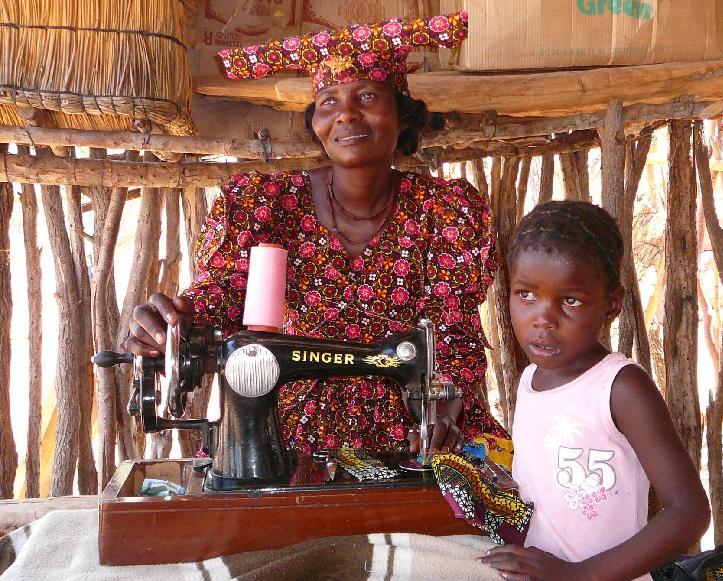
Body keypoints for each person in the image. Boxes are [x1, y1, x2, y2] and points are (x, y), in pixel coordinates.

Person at [124, 12, 510, 458]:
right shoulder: (262, 205)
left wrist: (445, 410)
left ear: (403, 116)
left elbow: (453, 334)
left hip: (418, 425)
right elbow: (221, 298)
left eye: (366, 96)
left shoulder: (446, 211)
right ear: (315, 124)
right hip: (286, 430)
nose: (346, 114)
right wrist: (176, 321)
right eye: (328, 101)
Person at [481, 201, 710, 581]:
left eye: (570, 300)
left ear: (612, 304)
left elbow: (688, 513)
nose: (543, 319)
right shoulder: (530, 379)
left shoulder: (620, 388)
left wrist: (583, 578)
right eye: (526, 295)